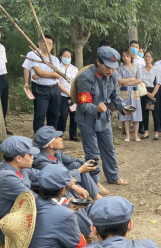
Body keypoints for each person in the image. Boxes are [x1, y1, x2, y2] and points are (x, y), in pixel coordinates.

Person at [14, 165, 88, 248]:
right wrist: (68, 214)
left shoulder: (30, 204)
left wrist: (64, 210)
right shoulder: (65, 214)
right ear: (63, 190)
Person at [75, 46, 132, 186]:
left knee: (109, 149)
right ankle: (94, 182)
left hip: (104, 119)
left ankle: (113, 176)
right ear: (98, 62)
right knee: (92, 152)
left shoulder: (114, 75)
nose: (110, 70)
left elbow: (115, 96)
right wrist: (96, 109)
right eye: (107, 66)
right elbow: (83, 104)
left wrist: (123, 108)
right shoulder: (85, 78)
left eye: (113, 67)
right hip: (88, 120)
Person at [0, 136, 40, 242]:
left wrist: (66, 178)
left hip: (22, 219)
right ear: (18, 158)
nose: (33, 157)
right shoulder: (7, 177)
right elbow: (34, 200)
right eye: (30, 155)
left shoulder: (19, 167)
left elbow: (42, 175)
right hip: (11, 229)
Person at [33, 126, 100, 199]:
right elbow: (57, 177)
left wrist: (86, 163)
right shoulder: (41, 161)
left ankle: (97, 197)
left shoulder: (56, 151)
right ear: (51, 145)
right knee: (70, 177)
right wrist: (80, 170)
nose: (61, 139)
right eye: (57, 138)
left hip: (63, 178)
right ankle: (77, 200)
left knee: (77, 164)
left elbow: (71, 160)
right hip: (54, 187)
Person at [28, 35, 62, 133]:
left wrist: (41, 75)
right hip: (41, 89)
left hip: (55, 89)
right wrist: (52, 74)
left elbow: (58, 75)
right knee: (40, 115)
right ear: (40, 43)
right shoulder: (34, 56)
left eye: (50, 44)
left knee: (54, 115)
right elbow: (38, 71)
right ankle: (39, 138)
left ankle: (51, 137)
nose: (48, 46)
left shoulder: (55, 59)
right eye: (46, 43)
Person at [117, 48, 144, 142]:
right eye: (124, 56)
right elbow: (119, 80)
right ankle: (127, 134)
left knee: (136, 114)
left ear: (131, 57)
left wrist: (127, 82)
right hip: (124, 93)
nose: (126, 58)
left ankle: (136, 135)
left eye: (127, 56)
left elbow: (139, 79)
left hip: (134, 92)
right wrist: (132, 79)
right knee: (126, 113)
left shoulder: (137, 66)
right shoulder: (120, 68)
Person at [56, 48, 79, 141]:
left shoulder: (75, 69)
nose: (67, 58)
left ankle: (73, 134)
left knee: (74, 115)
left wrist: (74, 94)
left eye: (69, 56)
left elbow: (76, 82)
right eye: (65, 56)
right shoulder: (57, 67)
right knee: (63, 115)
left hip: (73, 96)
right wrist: (67, 92)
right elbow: (57, 83)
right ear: (60, 57)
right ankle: (59, 134)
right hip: (62, 95)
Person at [140, 51, 161, 140]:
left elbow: (158, 83)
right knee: (145, 113)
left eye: (149, 57)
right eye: (145, 56)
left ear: (152, 58)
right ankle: (146, 132)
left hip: (154, 92)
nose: (147, 58)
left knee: (155, 113)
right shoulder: (141, 69)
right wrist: (147, 93)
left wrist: (152, 94)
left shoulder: (156, 69)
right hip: (144, 91)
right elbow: (140, 82)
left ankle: (156, 133)